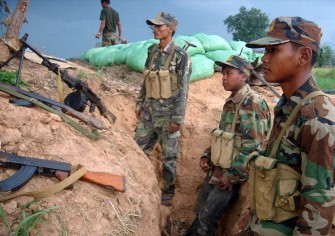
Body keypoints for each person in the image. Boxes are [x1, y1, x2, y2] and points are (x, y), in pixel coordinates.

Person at [239, 16, 335, 235]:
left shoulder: (317, 119)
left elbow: (318, 208)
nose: (264, 58)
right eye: (265, 51)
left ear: (303, 56)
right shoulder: (290, 105)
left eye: (273, 51)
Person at [185, 55, 272, 236]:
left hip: (232, 173)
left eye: (228, 73)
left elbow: (253, 145)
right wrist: (207, 155)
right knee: (201, 211)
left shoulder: (251, 102)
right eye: (223, 73)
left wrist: (232, 175)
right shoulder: (232, 101)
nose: (223, 77)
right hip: (219, 170)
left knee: (207, 218)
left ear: (243, 76)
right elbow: (224, 134)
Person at [134, 12, 191, 206]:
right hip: (149, 113)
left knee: (168, 158)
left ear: (171, 29)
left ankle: (167, 193)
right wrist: (139, 104)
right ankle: (136, 184)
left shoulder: (181, 56)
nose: (155, 29)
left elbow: (183, 89)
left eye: (160, 26)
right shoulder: (152, 51)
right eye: (154, 26)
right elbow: (146, 80)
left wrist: (177, 119)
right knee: (138, 150)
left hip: (168, 116)